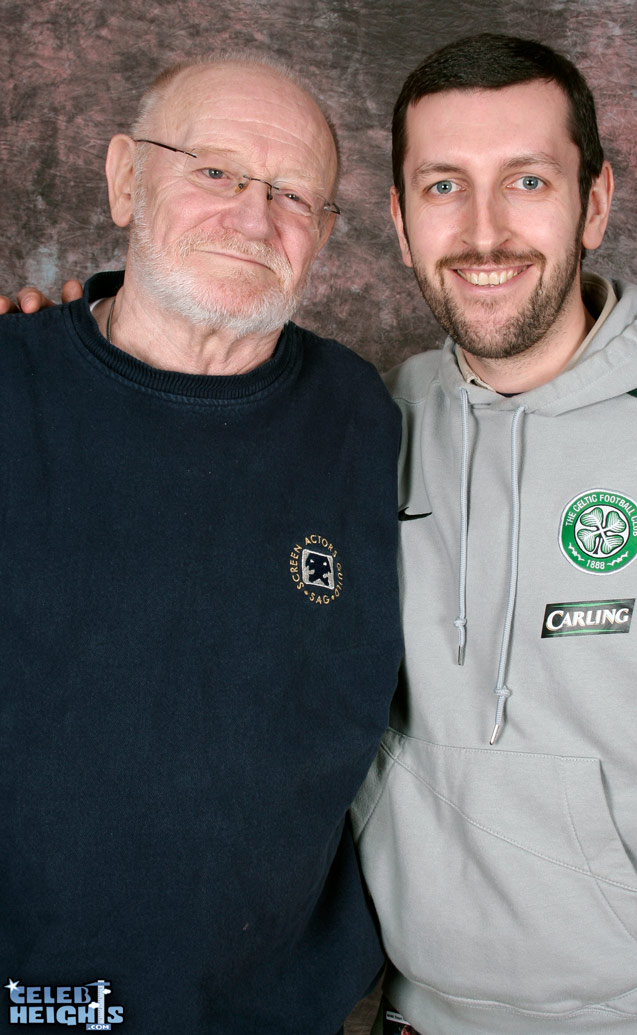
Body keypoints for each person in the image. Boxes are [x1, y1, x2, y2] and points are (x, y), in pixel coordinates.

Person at [0, 54, 403, 1034]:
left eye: (294, 194)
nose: (255, 219)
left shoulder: (363, 413)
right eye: (215, 172)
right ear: (125, 178)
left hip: (294, 1010)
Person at [350, 33, 637, 1035]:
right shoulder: (364, 429)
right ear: (398, 221)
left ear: (593, 203)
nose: (484, 233)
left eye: (526, 180)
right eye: (443, 187)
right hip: (416, 1012)